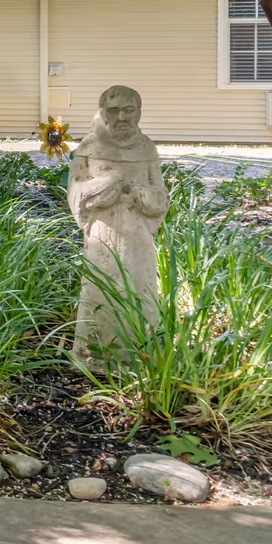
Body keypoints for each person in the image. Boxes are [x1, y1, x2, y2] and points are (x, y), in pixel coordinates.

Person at [67, 85, 169, 361]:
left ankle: (139, 352)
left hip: (137, 232)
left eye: (128, 110)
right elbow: (75, 191)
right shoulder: (89, 147)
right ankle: (95, 352)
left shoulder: (146, 148)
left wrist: (142, 195)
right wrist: (104, 186)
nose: (122, 117)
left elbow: (161, 196)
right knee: (101, 286)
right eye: (114, 110)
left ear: (138, 113)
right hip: (103, 230)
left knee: (139, 288)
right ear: (103, 113)